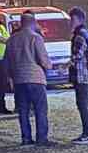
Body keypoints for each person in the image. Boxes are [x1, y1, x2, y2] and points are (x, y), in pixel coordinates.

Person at [6, 11, 53, 145]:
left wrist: (10, 76)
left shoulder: (12, 39)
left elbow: (7, 61)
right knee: (40, 110)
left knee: (23, 111)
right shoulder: (35, 38)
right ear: (33, 23)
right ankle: (41, 138)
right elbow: (43, 60)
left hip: (19, 79)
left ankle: (26, 138)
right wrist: (50, 66)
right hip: (36, 79)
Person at [67, 6, 88, 145]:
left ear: (79, 19)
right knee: (87, 104)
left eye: (72, 19)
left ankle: (87, 134)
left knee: (82, 104)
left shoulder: (79, 35)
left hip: (82, 76)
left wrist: (65, 65)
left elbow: (77, 56)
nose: (70, 22)